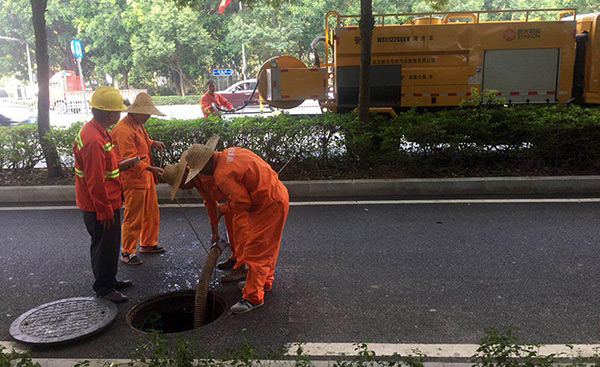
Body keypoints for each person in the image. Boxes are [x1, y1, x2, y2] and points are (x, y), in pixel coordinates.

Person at [183, 137, 289, 314]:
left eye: (201, 171)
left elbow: (242, 202)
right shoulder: (230, 152)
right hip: (273, 197)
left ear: (206, 164)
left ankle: (252, 297)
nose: (203, 175)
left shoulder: (222, 175)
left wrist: (223, 208)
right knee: (267, 246)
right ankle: (263, 281)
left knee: (256, 250)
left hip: (268, 204)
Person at [73, 86, 132, 303]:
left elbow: (106, 167)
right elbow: (95, 181)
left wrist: (122, 164)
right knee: (103, 246)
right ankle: (104, 288)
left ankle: (110, 279)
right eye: (118, 110)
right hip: (99, 204)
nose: (120, 114)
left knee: (111, 244)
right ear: (109, 113)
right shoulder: (93, 139)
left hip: (108, 200)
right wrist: (105, 211)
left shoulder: (98, 131)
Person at [161, 137, 249, 283]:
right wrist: (214, 232)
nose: (182, 188)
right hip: (229, 200)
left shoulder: (202, 170)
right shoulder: (196, 180)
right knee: (231, 231)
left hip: (240, 198)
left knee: (240, 231)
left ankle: (242, 268)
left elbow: (231, 192)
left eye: (180, 185)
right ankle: (235, 258)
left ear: (184, 176)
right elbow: (210, 202)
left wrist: (226, 207)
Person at [110, 92, 166, 265]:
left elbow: (142, 141)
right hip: (133, 179)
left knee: (151, 212)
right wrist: (150, 168)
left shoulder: (137, 124)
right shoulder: (123, 130)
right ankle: (127, 251)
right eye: (147, 113)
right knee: (133, 216)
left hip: (145, 177)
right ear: (138, 112)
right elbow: (130, 159)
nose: (149, 117)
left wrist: (153, 142)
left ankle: (148, 243)